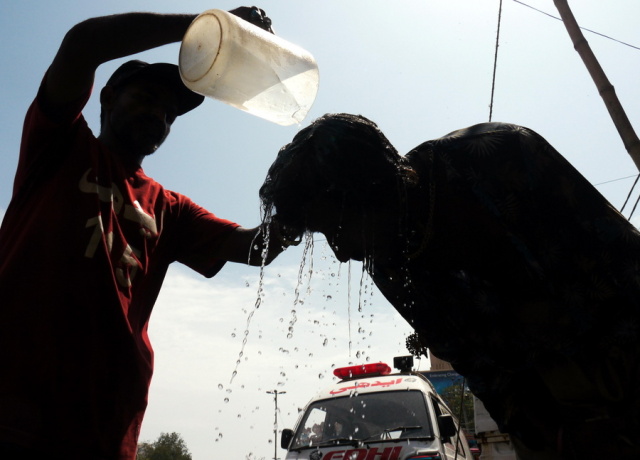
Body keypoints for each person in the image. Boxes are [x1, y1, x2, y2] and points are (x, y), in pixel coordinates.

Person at [259, 113, 640, 459]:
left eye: (337, 229)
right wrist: (549, 433)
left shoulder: (493, 156)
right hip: (551, 415)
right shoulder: (387, 262)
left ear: (371, 190)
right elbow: (480, 368)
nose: (341, 253)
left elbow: (625, 264)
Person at [0, 7, 287, 460]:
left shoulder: (171, 209)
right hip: (12, 413)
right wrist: (206, 27)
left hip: (105, 428)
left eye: (169, 112)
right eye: (147, 97)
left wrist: (305, 201)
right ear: (108, 98)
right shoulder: (57, 145)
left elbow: (254, 247)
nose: (159, 114)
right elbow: (82, 45)